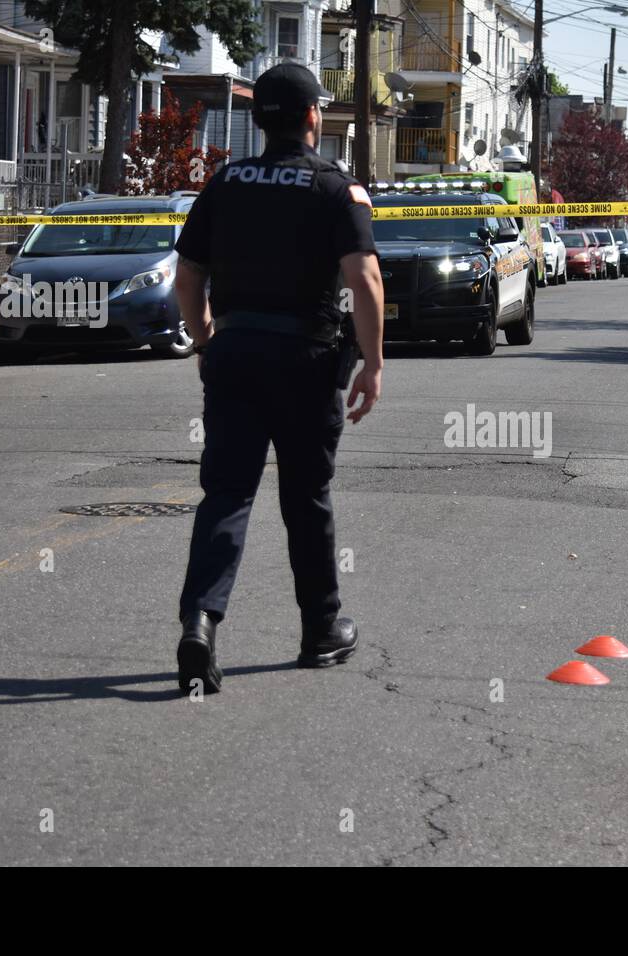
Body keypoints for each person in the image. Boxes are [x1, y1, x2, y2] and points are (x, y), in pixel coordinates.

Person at [171, 62, 384, 694]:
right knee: (305, 496)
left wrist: (206, 339)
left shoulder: (226, 182)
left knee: (227, 494)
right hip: (305, 361)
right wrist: (373, 362)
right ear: (314, 116)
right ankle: (320, 630)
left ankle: (201, 624)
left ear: (259, 119)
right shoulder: (333, 188)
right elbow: (365, 280)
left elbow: (188, 277)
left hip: (235, 353)